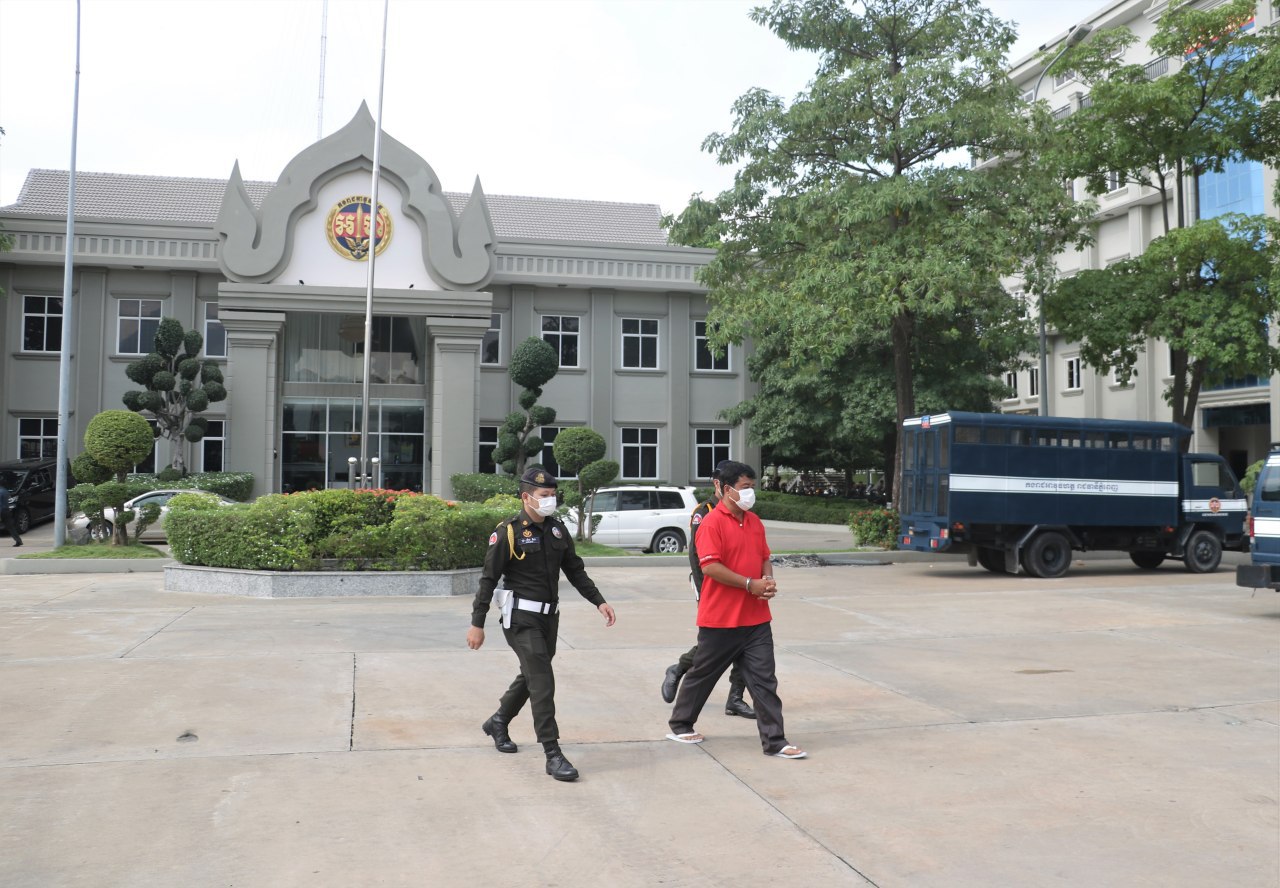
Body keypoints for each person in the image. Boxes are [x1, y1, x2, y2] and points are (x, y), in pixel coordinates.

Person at [467, 466, 617, 782]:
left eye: (553, 495)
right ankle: (552, 753)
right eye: (544, 495)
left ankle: (498, 721)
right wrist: (477, 623)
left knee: (533, 675)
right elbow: (488, 579)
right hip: (521, 618)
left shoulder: (557, 530)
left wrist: (599, 601)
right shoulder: (508, 532)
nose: (550, 500)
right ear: (526, 497)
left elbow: (575, 570)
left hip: (550, 617)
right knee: (543, 681)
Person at [666, 460, 805, 759]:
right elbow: (710, 567)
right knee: (704, 673)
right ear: (727, 489)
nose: (750, 493)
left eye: (753, 487)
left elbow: (764, 556)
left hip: (756, 618)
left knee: (764, 680)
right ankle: (680, 724)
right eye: (745, 487)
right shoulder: (710, 523)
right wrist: (749, 584)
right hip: (721, 619)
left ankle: (776, 741)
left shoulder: (754, 522)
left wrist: (767, 580)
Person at [660, 461, 755, 719]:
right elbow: (697, 557)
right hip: (712, 587)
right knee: (715, 644)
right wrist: (705, 594)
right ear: (719, 485)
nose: (748, 492)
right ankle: (680, 668)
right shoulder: (705, 512)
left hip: (742, 587)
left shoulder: (743, 511)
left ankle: (735, 698)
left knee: (746, 641)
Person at [0, 482, 21, 547]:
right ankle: (18, 540)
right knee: (11, 527)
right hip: (6, 510)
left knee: (10, 526)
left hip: (1, 511)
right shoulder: (5, 491)